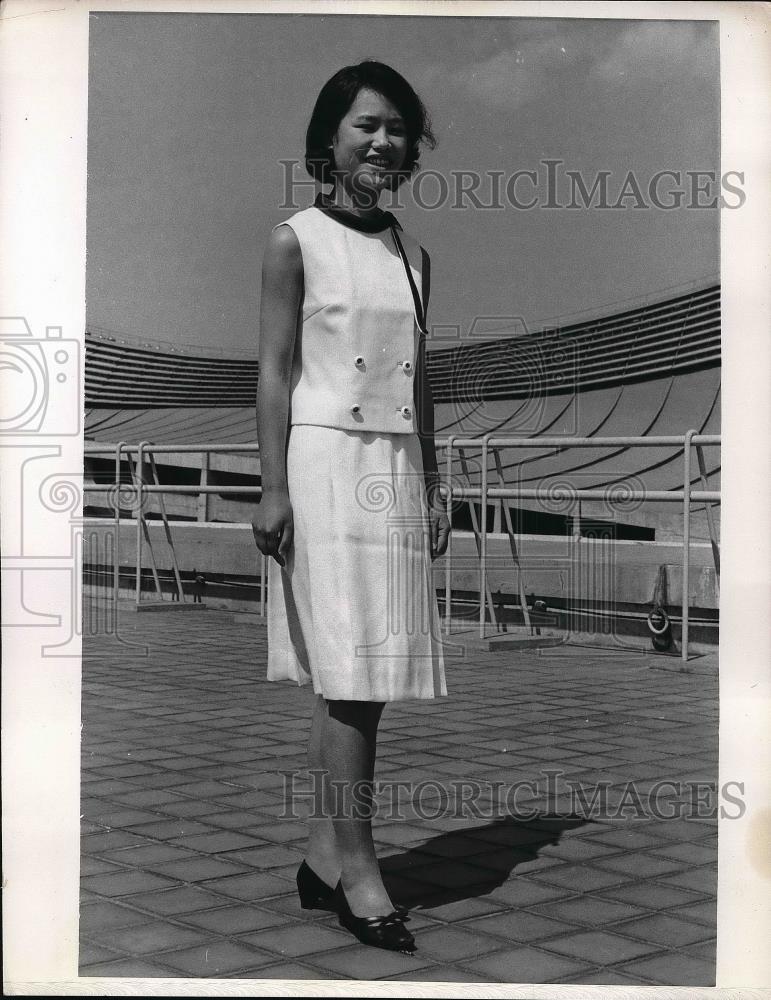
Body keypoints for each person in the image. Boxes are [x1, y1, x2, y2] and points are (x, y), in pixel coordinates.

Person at [253, 61, 450, 954]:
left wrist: (437, 483)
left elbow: (422, 380)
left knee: (367, 684)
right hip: (325, 463)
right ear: (328, 140)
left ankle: (320, 856)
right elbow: (273, 372)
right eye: (365, 125)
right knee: (351, 677)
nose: (382, 141)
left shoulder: (414, 254)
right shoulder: (293, 239)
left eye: (397, 128)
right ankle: (360, 870)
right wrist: (271, 484)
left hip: (396, 469)